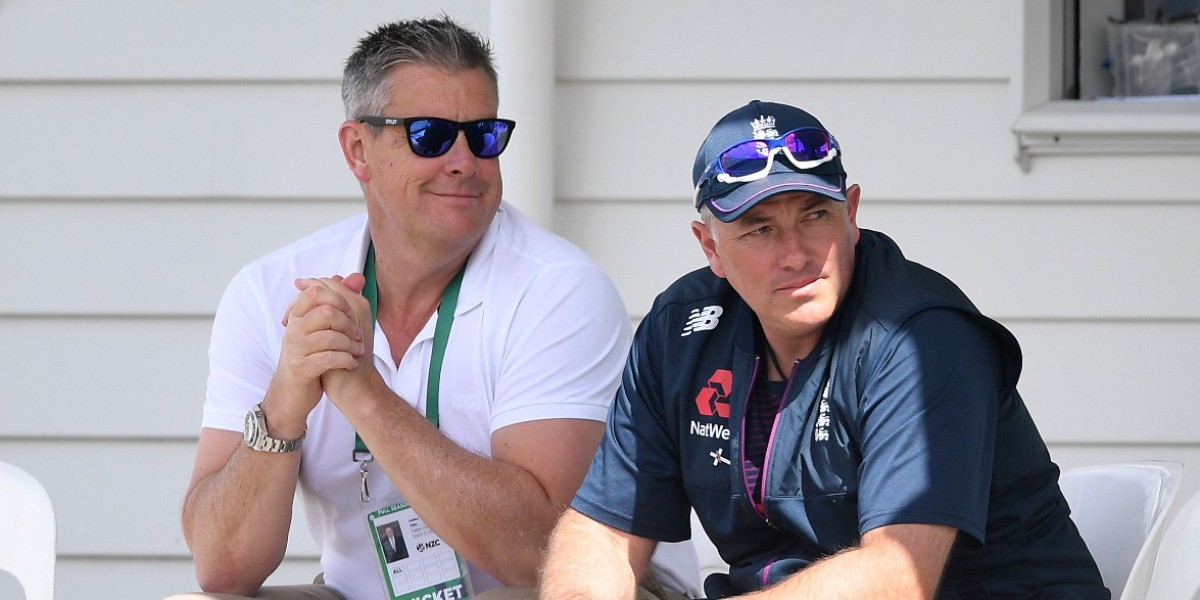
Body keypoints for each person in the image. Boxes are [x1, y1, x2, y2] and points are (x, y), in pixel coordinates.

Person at [173, 15, 697, 600]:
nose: (464, 161)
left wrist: (365, 394)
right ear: (357, 150)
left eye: (484, 136)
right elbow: (223, 569)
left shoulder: (559, 289)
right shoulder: (266, 291)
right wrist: (283, 405)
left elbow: (543, 556)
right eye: (431, 135)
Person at [538, 100, 1110, 599]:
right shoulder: (681, 331)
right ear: (710, 246)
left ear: (852, 214)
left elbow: (897, 578)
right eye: (759, 228)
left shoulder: (922, 338)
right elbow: (602, 533)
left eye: (815, 215)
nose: (795, 254)